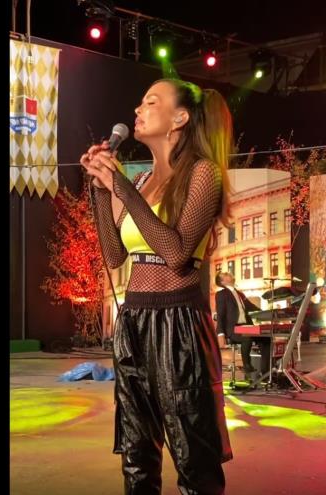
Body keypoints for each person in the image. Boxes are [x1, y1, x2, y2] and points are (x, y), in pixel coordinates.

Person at [80, 78, 233, 495]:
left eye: (151, 101)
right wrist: (101, 190)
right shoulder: (144, 179)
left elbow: (177, 252)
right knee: (136, 456)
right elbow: (115, 255)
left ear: (179, 118)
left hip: (179, 325)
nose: (138, 109)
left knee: (193, 459)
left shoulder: (203, 173)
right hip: (133, 322)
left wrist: (120, 186)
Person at [214, 272, 271, 376]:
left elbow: (251, 307)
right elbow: (220, 314)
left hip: (246, 327)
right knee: (246, 338)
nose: (229, 274)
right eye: (226, 275)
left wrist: (268, 313)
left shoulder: (240, 294)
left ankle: (265, 371)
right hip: (233, 329)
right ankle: (246, 365)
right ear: (222, 281)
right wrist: (220, 334)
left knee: (266, 338)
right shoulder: (221, 294)